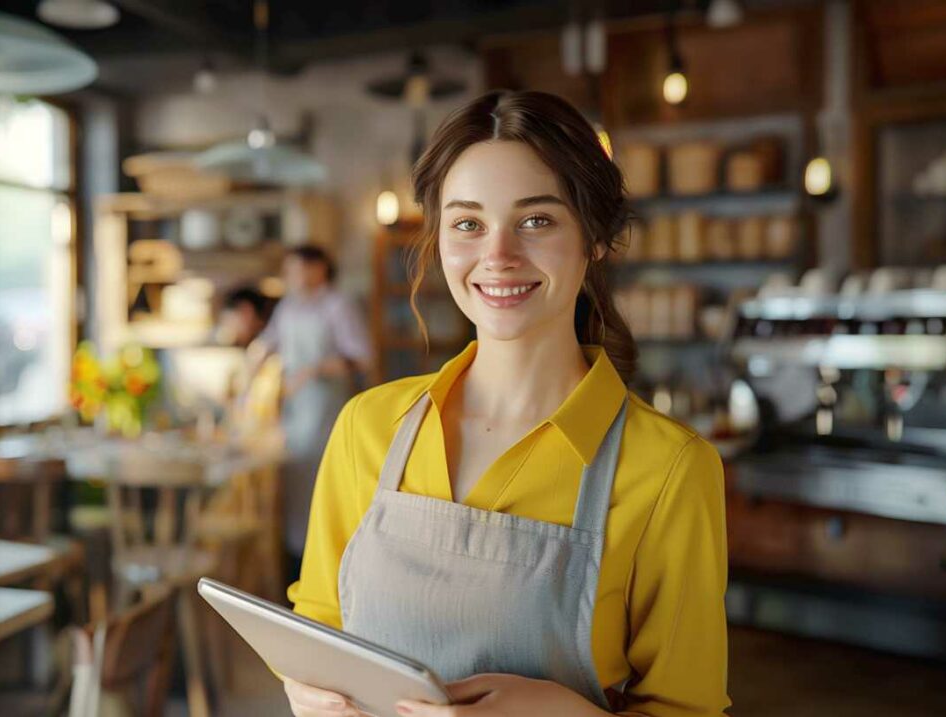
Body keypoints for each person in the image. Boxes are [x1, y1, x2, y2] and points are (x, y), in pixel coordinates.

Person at [283, 91, 730, 717]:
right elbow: (322, 623)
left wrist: (564, 711)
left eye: (537, 220)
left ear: (595, 237)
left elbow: (689, 708)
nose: (498, 256)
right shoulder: (368, 426)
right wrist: (308, 692)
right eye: (468, 223)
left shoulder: (669, 468)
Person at [249, 246, 373, 583]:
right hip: (293, 410)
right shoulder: (288, 307)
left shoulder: (338, 305)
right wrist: (253, 357)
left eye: (298, 269)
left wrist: (315, 370)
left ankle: (325, 570)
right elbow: (269, 341)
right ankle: (295, 572)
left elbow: (361, 357)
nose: (293, 276)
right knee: (294, 485)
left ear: (319, 269)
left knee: (321, 486)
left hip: (325, 409)